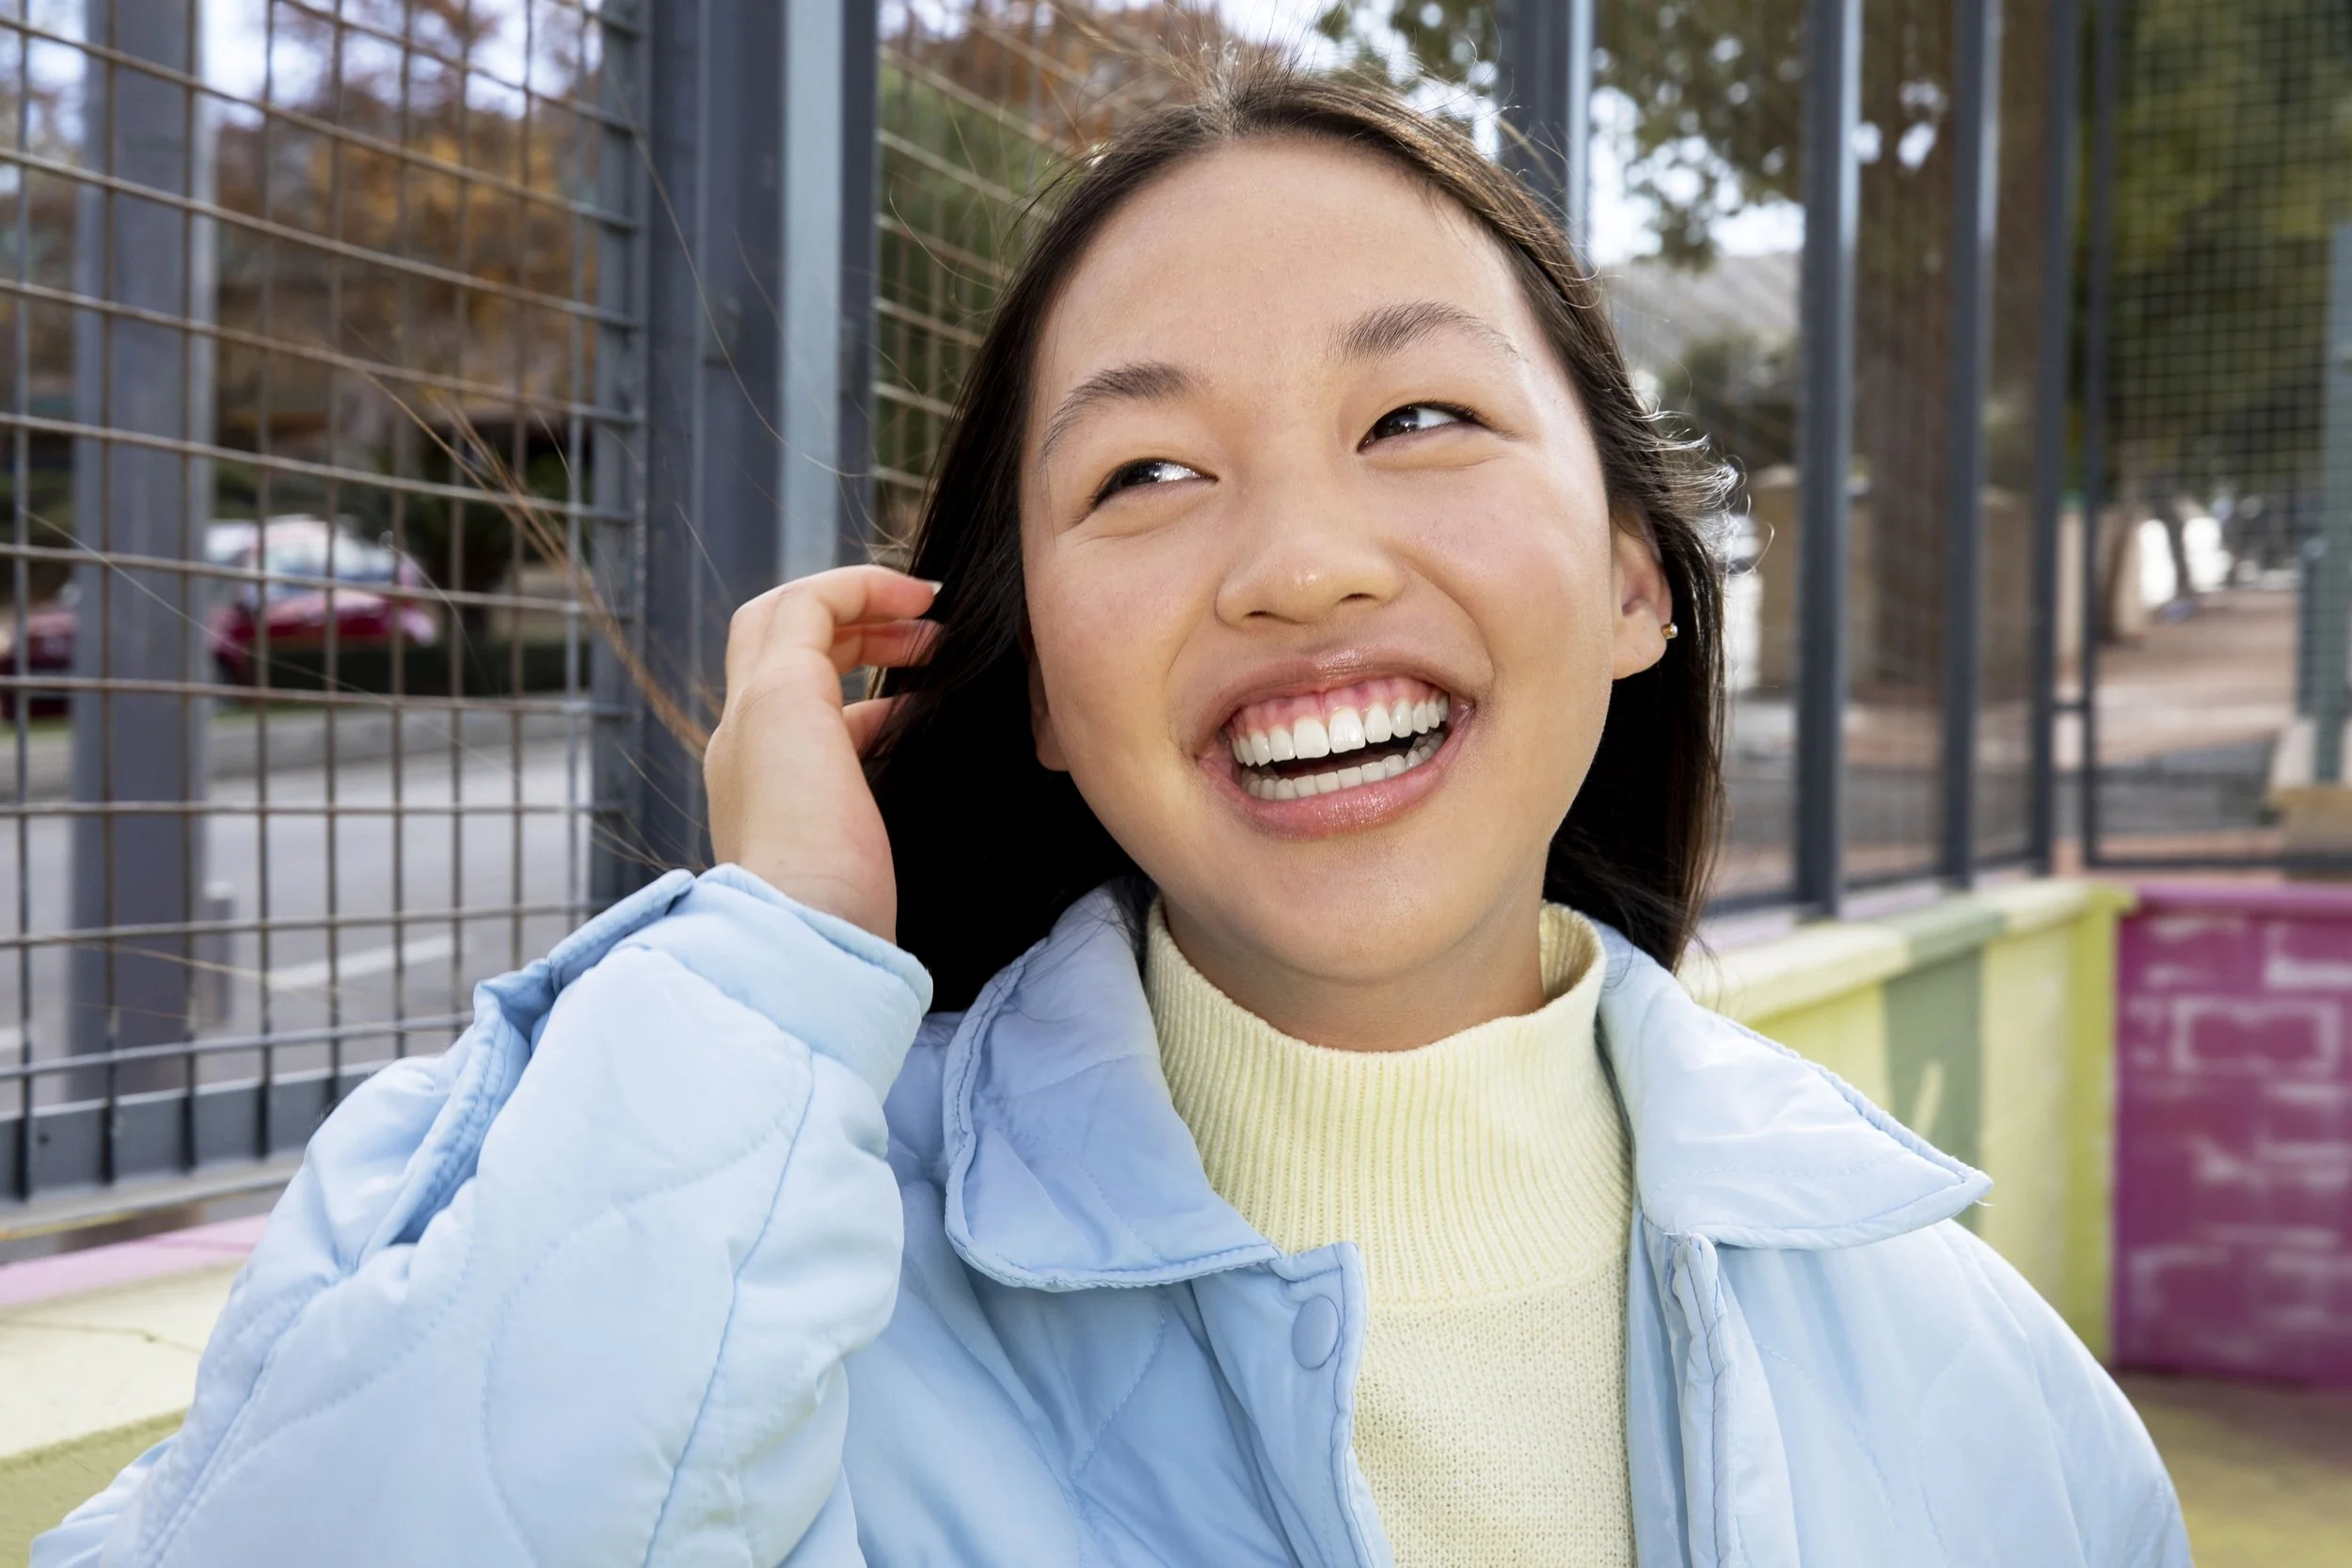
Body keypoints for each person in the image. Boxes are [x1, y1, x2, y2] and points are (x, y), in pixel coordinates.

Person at [38, 65, 2185, 1568]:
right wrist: (768, 959)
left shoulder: (1973, 1378)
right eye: (1141, 474)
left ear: (1634, 573)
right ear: (1040, 685)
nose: (1299, 560)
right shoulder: (696, 1249)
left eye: (1418, 415)